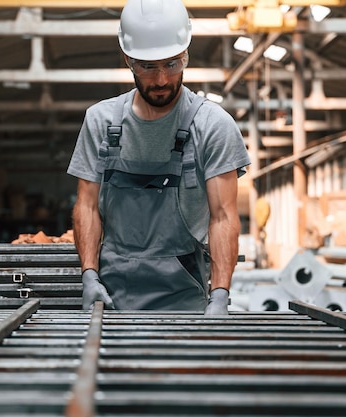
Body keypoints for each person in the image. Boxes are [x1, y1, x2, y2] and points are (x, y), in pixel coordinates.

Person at [67, 0, 251, 314]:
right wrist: (89, 276)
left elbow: (223, 217)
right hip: (111, 299)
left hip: (184, 298)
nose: (162, 79)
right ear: (128, 59)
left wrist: (220, 294)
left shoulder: (212, 125)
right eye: (148, 67)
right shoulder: (100, 121)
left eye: (172, 64)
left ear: (186, 56)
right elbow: (86, 206)